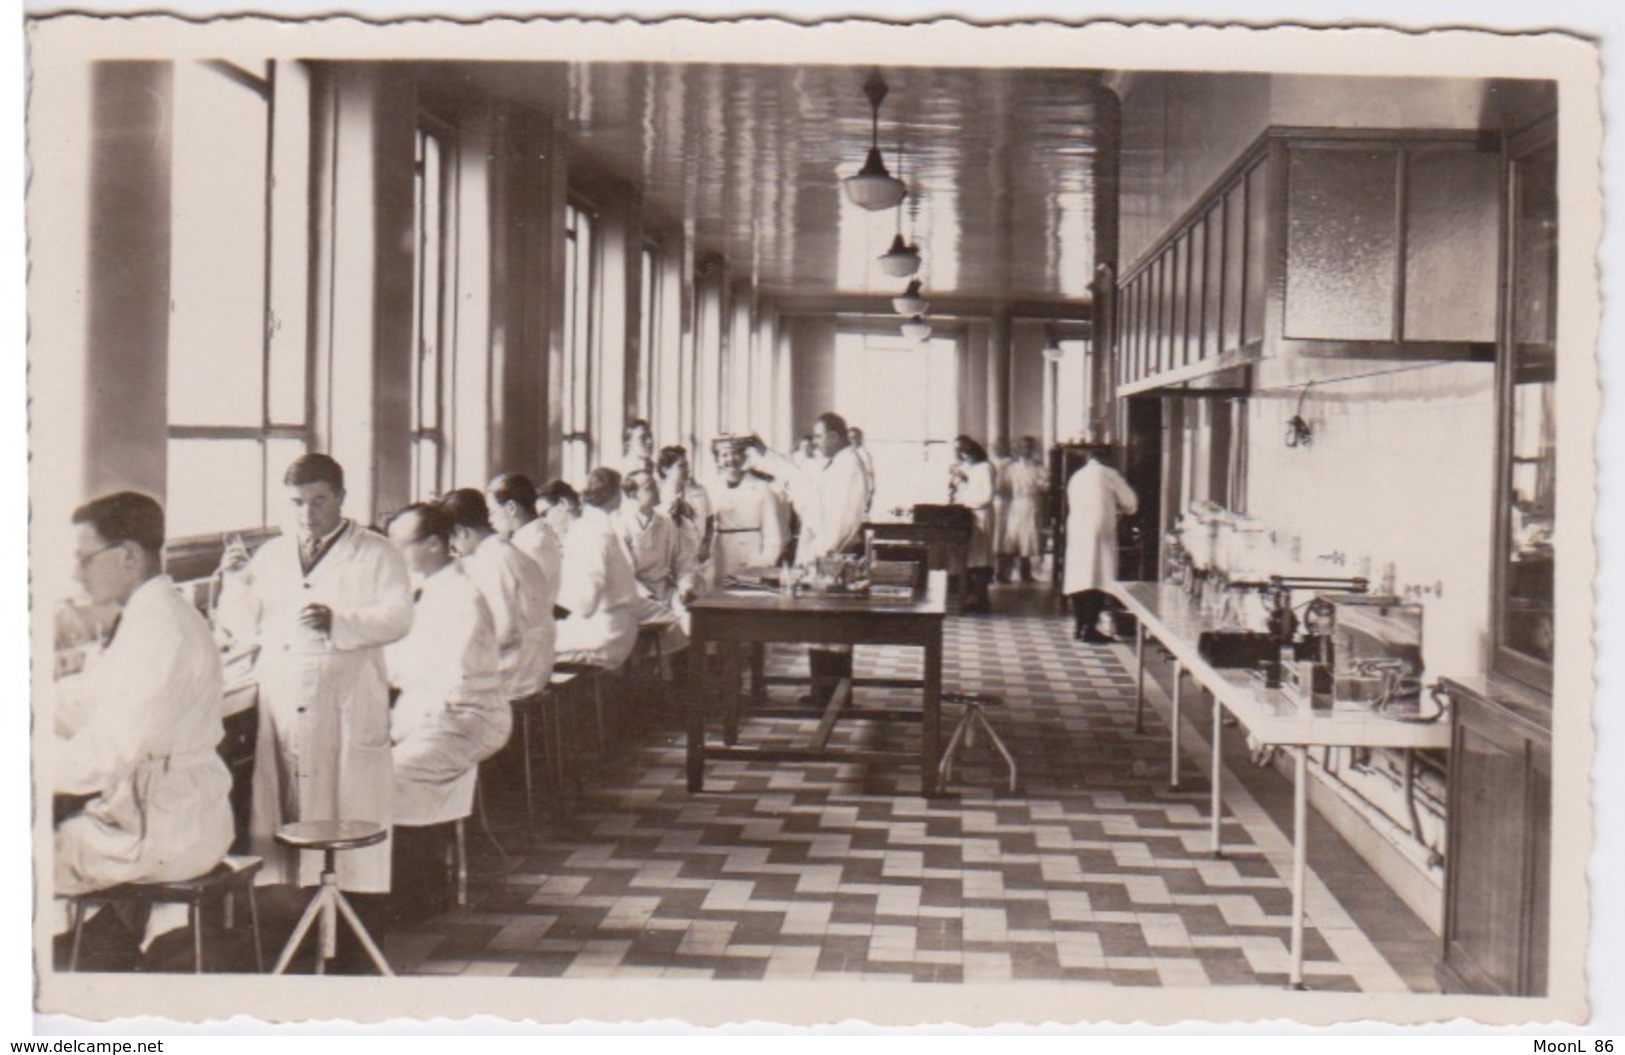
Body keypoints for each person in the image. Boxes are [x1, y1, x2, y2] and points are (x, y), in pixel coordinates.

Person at [217, 453, 413, 898]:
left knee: (348, 804)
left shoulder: (376, 551)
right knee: (286, 804)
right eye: (297, 503)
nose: (307, 514)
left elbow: (399, 616)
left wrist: (339, 621)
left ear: (341, 497)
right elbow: (246, 626)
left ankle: (350, 919)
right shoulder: (271, 555)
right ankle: (296, 915)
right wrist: (236, 582)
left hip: (346, 697)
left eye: (319, 501)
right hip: (284, 693)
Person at [53, 492, 235, 952]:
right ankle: (99, 950)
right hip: (178, 815)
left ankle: (77, 970)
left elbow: (105, 756)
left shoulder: (159, 630)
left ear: (129, 555)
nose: (77, 574)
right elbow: (88, 699)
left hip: (160, 832)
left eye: (85, 559)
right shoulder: (155, 616)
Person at [383, 503, 510, 920]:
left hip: (466, 717)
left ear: (434, 545)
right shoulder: (426, 589)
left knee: (392, 774)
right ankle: (412, 883)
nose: (392, 553)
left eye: (399, 544)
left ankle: (418, 891)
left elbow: (446, 682)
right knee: (370, 764)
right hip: (436, 713)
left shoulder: (460, 597)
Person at [746, 412, 871, 705]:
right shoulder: (833, 464)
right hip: (825, 556)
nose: (815, 443)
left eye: (818, 436)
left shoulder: (850, 467)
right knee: (822, 627)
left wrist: (819, 555)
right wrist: (765, 454)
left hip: (834, 556)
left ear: (834, 437)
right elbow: (799, 477)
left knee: (834, 629)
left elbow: (844, 522)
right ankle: (823, 691)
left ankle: (835, 695)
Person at [441, 488, 555, 699]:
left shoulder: (493, 561)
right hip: (532, 663)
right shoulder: (504, 551)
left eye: (451, 541)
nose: (453, 548)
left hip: (518, 672)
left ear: (461, 531)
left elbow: (505, 633)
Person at [554, 467, 643, 670]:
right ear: (616, 497)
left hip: (605, 633)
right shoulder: (598, 529)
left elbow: (585, 606)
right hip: (616, 624)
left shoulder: (590, 532)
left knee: (529, 646)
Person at [613, 468, 698, 648]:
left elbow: (683, 561)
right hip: (639, 594)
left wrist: (685, 586)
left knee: (691, 620)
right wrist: (647, 596)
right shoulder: (621, 526)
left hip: (666, 589)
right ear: (632, 494)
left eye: (655, 485)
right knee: (663, 627)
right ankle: (658, 671)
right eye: (649, 487)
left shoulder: (667, 522)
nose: (657, 489)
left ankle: (680, 671)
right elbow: (624, 574)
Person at [1063, 448, 1139, 642]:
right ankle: (1090, 628)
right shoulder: (1109, 474)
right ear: (1107, 458)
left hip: (1077, 530)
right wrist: (1122, 509)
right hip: (1100, 531)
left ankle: (1079, 627)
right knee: (1099, 577)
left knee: (1079, 577)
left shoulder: (1077, 476)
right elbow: (1131, 502)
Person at [707, 436, 787, 583]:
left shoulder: (761, 487)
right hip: (720, 562)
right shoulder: (711, 488)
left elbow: (774, 537)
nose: (730, 459)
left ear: (744, 456)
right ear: (717, 460)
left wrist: (762, 566)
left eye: (736, 453)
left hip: (752, 561)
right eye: (724, 455)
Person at [486, 472, 563, 618]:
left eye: (492, 512)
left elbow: (522, 600)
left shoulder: (534, 544)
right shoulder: (529, 536)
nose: (490, 520)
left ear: (511, 508)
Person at [949, 435, 997, 613]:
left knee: (981, 559)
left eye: (963, 452)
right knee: (969, 558)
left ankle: (981, 600)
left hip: (980, 514)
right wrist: (958, 479)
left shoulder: (985, 467)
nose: (961, 456)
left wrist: (966, 504)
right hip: (967, 514)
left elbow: (986, 495)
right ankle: (967, 596)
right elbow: (961, 487)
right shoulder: (969, 467)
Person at [653, 445, 713, 586]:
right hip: (668, 561)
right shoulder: (657, 496)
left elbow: (710, 520)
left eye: (687, 465)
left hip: (697, 558)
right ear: (665, 469)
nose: (687, 470)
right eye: (681, 466)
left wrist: (706, 544)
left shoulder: (699, 492)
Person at [1000, 436, 1049, 583]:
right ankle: (1003, 573)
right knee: (1011, 538)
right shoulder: (1011, 468)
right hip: (1016, 503)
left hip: (1032, 503)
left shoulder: (1038, 466)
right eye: (1023, 447)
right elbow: (1005, 486)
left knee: (1028, 538)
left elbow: (1045, 484)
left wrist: (1041, 486)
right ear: (1018, 449)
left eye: (1029, 447)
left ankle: (1025, 572)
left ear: (1032, 449)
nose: (1026, 450)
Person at [989, 438, 1013, 581]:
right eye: (996, 447)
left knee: (1005, 541)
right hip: (993, 502)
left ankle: (1003, 573)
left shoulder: (1011, 464)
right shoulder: (989, 463)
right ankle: (990, 572)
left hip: (1009, 504)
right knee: (992, 540)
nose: (999, 449)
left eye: (1002, 446)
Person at [847, 425, 876, 513]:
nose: (851, 441)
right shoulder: (847, 455)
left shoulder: (865, 455)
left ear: (860, 438)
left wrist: (870, 497)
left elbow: (871, 476)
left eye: (854, 438)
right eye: (849, 438)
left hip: (861, 495)